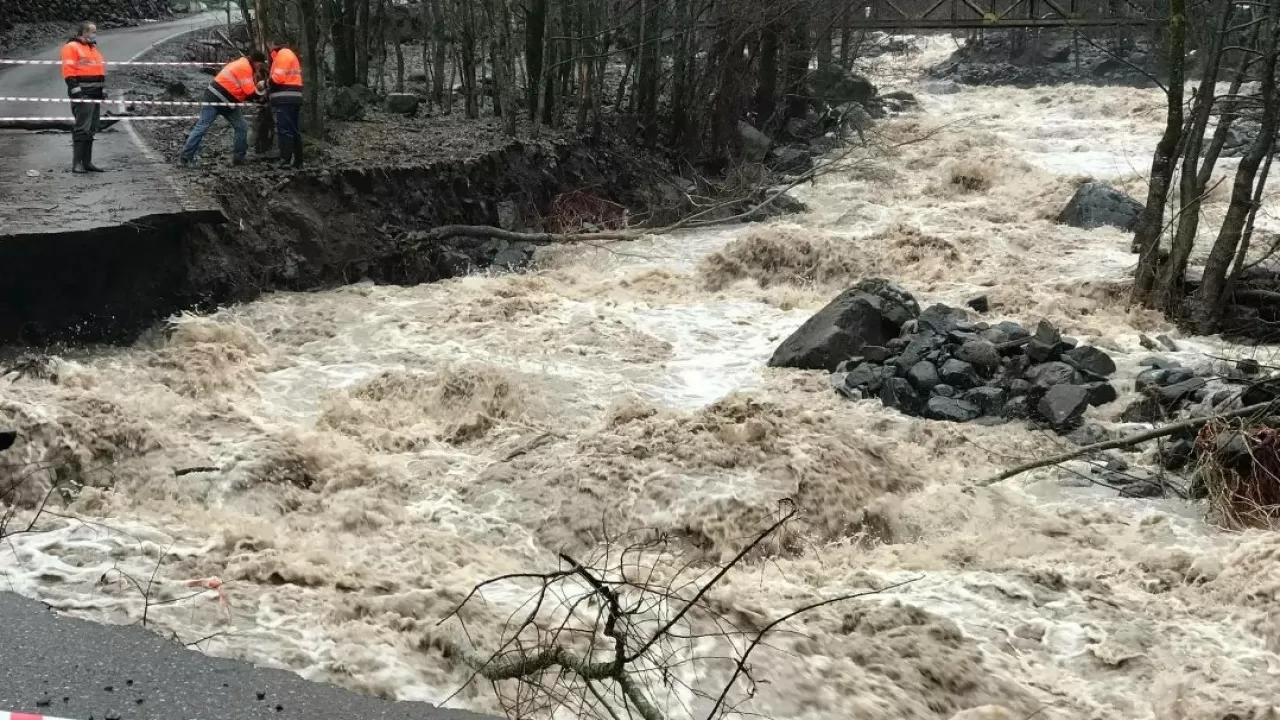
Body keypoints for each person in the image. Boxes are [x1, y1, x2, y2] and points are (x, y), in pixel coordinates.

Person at [178, 51, 267, 167]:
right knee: (203, 127)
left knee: (240, 127)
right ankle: (185, 158)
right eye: (260, 65)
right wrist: (261, 95)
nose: (259, 68)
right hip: (217, 99)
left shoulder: (242, 63)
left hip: (223, 100)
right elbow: (249, 92)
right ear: (256, 62)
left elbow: (242, 90)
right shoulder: (245, 68)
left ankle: (185, 158)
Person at [61, 22, 105, 173]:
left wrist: (100, 92)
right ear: (84, 32)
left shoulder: (92, 48)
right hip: (83, 94)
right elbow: (68, 70)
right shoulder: (72, 47)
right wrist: (76, 90)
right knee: (82, 128)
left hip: (94, 93)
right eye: (92, 32)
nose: (95, 35)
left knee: (92, 128)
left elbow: (96, 70)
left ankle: (87, 162)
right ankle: (77, 163)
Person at [268, 42, 304, 168]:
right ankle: (298, 161)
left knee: (284, 129)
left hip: (285, 98)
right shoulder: (288, 55)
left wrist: (267, 84)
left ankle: (285, 160)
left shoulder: (282, 56)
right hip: (293, 97)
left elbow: (278, 78)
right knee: (294, 130)